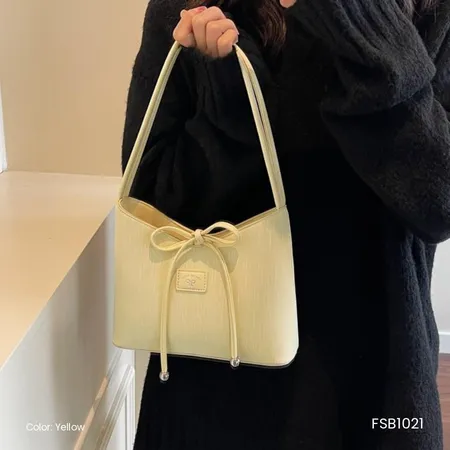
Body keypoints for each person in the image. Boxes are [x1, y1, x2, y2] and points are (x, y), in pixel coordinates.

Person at [121, 0, 450, 448]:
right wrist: (231, 107)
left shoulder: (430, 11)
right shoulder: (189, 10)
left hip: (378, 390)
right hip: (214, 382)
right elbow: (151, 205)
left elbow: (439, 203)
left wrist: (364, 28)